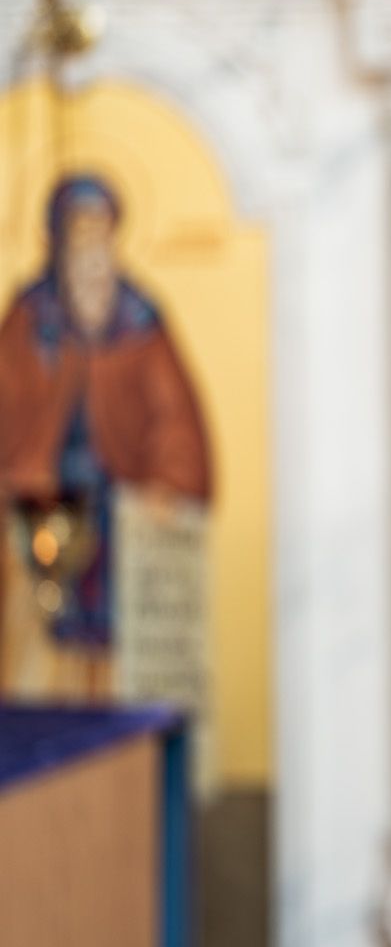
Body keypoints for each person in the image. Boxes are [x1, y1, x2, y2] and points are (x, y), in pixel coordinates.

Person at [0, 173, 212, 698]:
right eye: (80, 238)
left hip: (119, 509)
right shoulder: (30, 318)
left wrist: (166, 482)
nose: (92, 258)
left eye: (102, 239)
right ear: (57, 243)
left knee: (119, 641)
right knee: (35, 639)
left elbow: (175, 421)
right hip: (41, 507)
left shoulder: (138, 321)